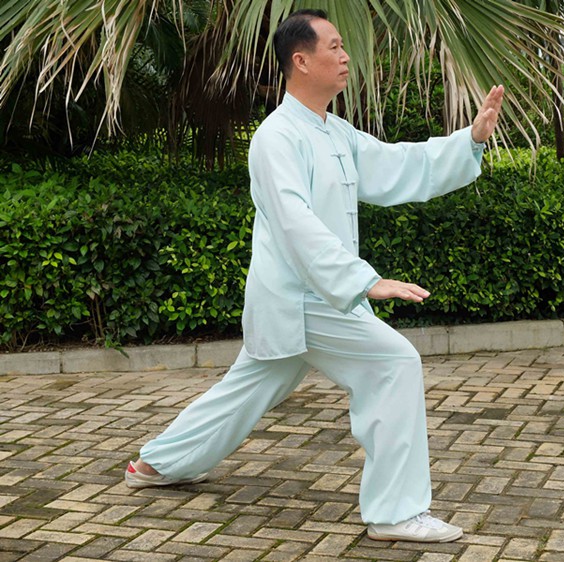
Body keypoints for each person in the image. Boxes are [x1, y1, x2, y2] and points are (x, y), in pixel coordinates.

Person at [124, 8, 504, 543]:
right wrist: (362, 281)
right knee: (394, 364)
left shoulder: (334, 130)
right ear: (300, 61)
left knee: (245, 389)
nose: (346, 56)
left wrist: (469, 141)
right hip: (303, 298)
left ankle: (155, 464)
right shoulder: (275, 138)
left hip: (312, 297)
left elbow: (396, 164)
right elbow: (295, 223)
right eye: (334, 47)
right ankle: (394, 513)